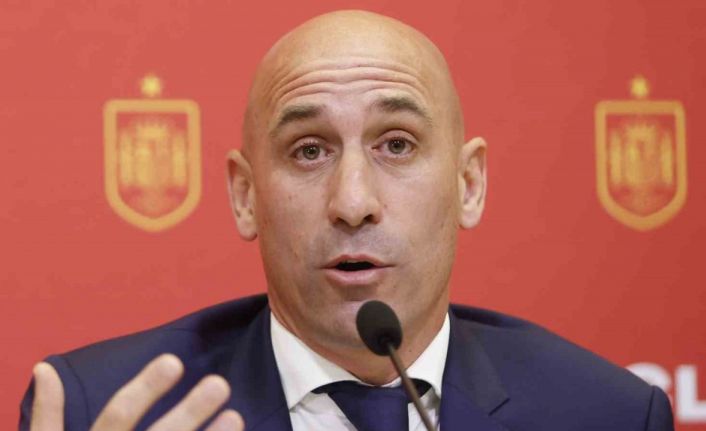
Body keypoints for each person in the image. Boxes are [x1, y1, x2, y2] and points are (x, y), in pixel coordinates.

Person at [21, 10, 673, 431]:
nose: (353, 201)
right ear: (246, 197)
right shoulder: (104, 409)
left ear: (468, 185)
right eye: (309, 151)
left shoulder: (605, 414)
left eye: (397, 145)